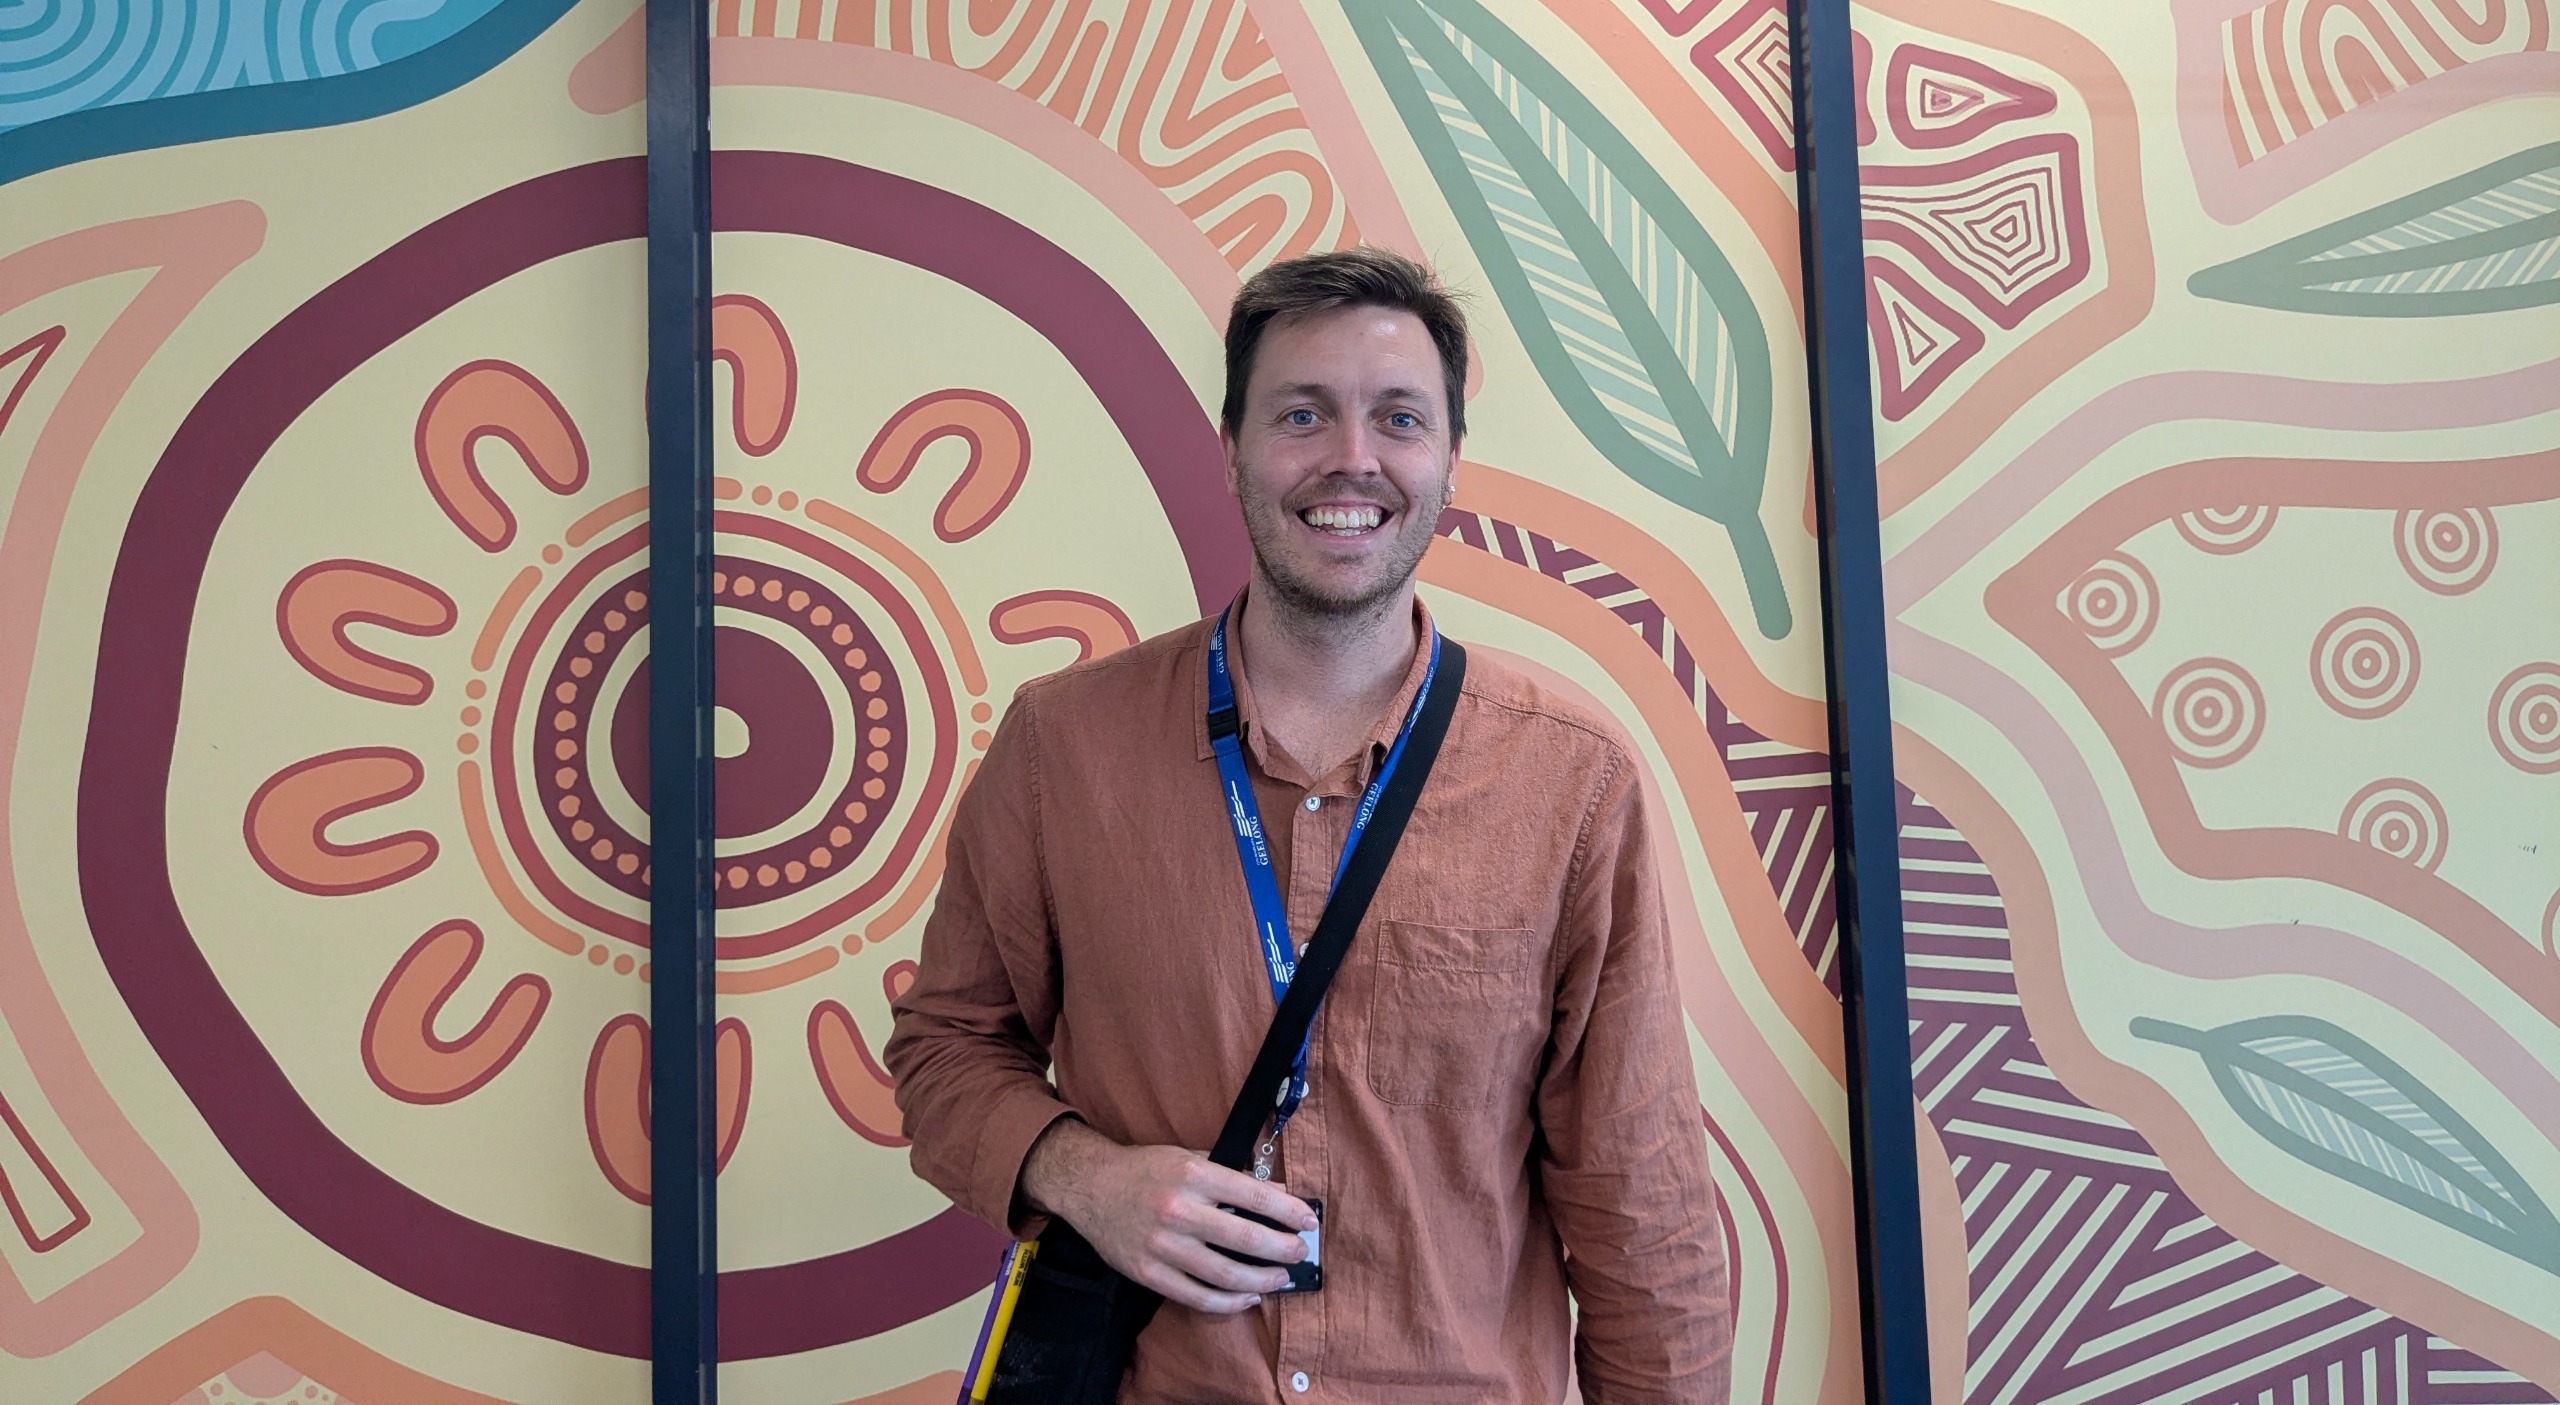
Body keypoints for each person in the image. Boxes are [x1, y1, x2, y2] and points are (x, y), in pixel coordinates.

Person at [885, 247, 1732, 1402]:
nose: (1351, 459)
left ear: (1447, 463)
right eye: (1302, 413)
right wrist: (1083, 1175)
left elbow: (1640, 1197)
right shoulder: (1060, 749)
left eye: (1397, 418)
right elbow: (944, 1050)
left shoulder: (1570, 780)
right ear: (1231, 448)